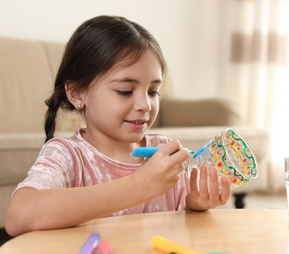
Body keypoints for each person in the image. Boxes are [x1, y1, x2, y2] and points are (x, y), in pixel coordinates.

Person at [5, 15, 231, 237]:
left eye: (153, 92)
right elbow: (19, 217)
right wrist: (138, 186)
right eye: (125, 91)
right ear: (76, 94)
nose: (145, 104)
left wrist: (195, 205)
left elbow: (180, 228)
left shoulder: (163, 151)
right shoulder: (67, 155)